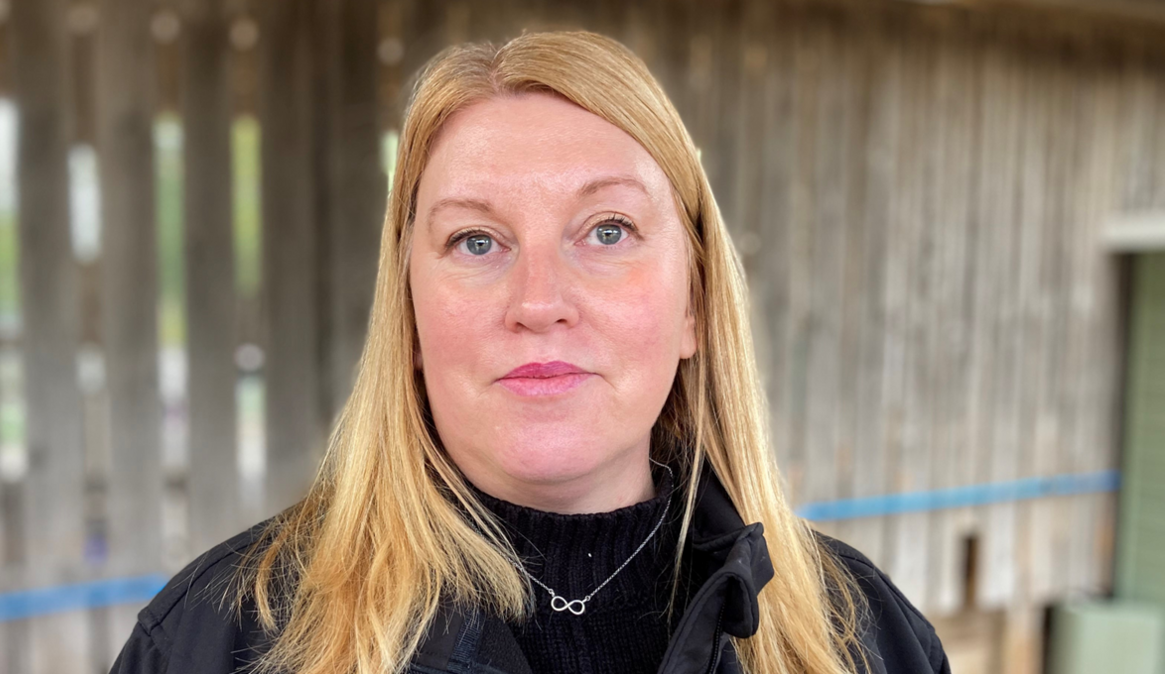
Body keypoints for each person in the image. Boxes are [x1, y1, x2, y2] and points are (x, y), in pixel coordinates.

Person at [110, 30, 949, 674]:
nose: (539, 303)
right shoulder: (219, 642)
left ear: (694, 301)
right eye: (476, 241)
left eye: (608, 230)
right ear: (408, 309)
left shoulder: (867, 638)